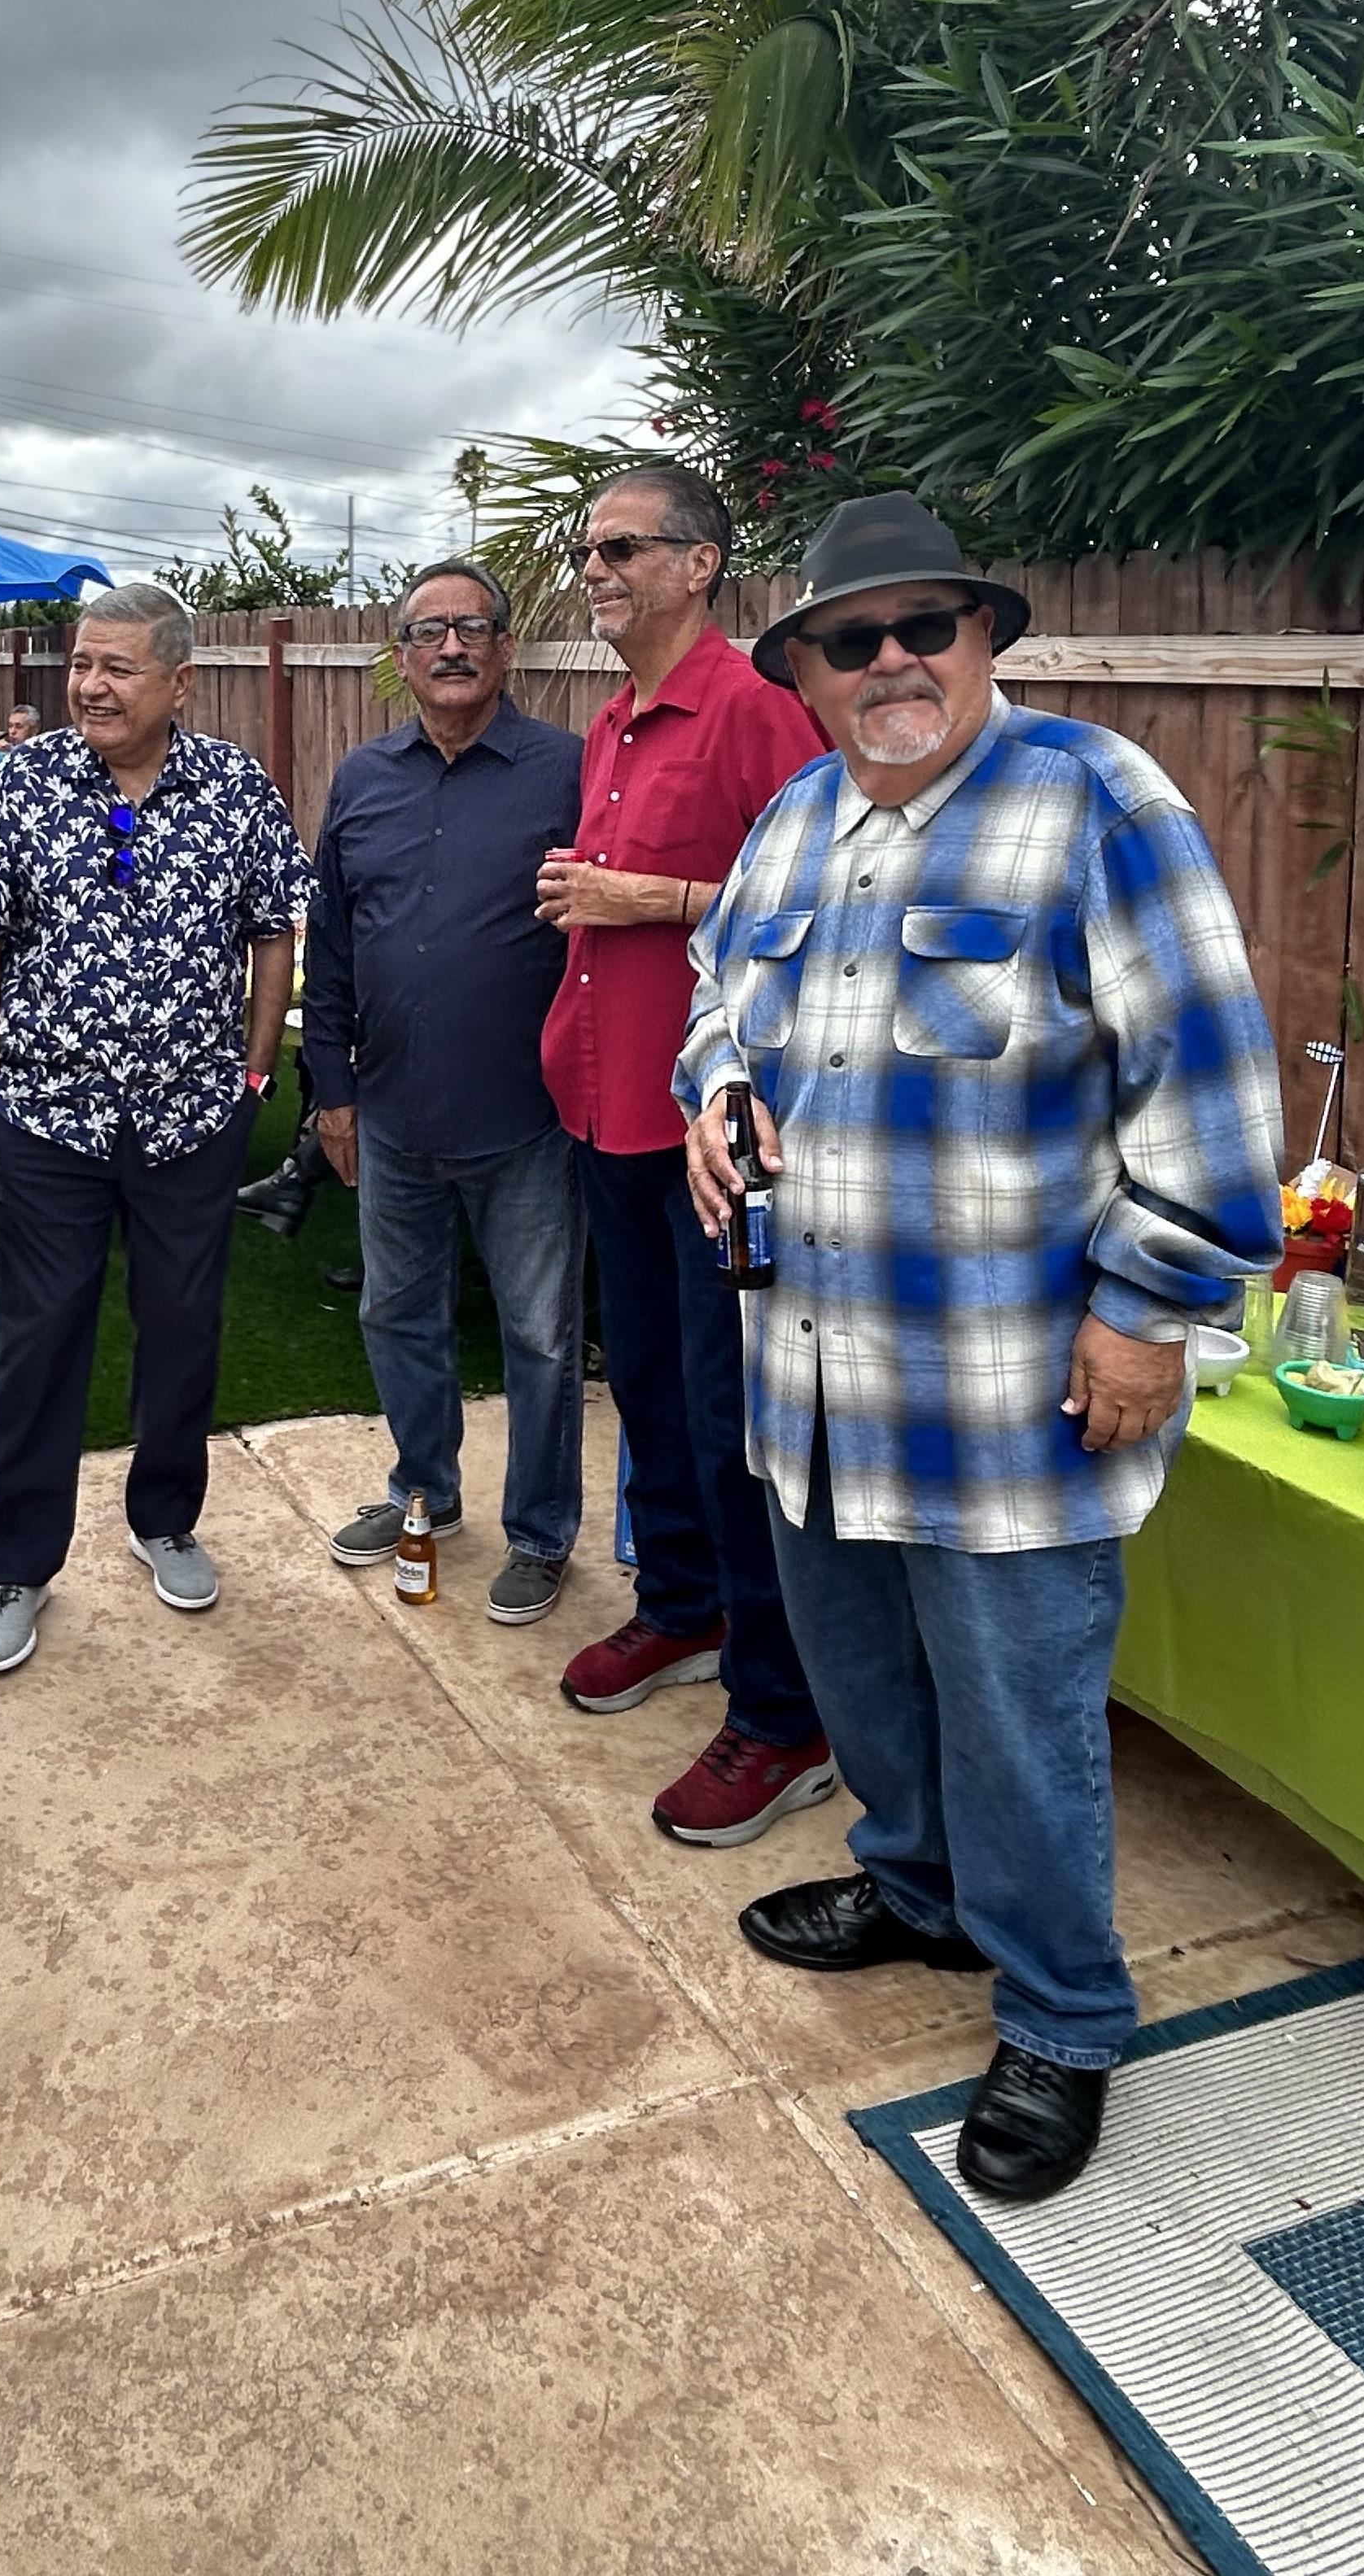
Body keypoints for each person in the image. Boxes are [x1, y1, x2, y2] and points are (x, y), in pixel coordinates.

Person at [680, 491, 1284, 2201]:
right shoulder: (794, 822)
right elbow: (726, 992)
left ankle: (1066, 2014)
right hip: (814, 1376)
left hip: (1013, 1390)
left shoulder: (1098, 800)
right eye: (851, 640)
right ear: (802, 669)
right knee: (864, 1678)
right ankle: (918, 1891)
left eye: (923, 628)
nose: (891, 664)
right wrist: (716, 1089)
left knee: (1021, 1715)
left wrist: (1150, 1309)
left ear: (981, 641)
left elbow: (1213, 1075)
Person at [535, 464, 833, 1848]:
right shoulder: (608, 725)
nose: (593, 568)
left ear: (701, 563)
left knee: (735, 1421)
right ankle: (683, 1610)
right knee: (644, 1383)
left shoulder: (755, 713)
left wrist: (648, 896)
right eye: (587, 550)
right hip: (609, 1108)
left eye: (620, 548)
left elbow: (825, 902)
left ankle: (784, 1711)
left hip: (718, 1134)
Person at [0, 584, 311, 1675]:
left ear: (180, 682)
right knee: (39, 1338)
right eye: (81, 666)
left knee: (182, 1324)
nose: (91, 686)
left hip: (191, 1122)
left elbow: (273, 930)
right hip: (48, 1120)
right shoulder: (25, 783)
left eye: (117, 668)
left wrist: (252, 1073)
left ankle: (166, 1519)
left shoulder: (236, 788)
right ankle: (19, 1562)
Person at [302, 562, 587, 1622]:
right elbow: (329, 943)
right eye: (429, 632)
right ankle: (425, 1491)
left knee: (545, 1337)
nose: (452, 647)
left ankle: (543, 1536)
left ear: (506, 649)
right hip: (394, 1113)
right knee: (397, 1314)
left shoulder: (568, 770)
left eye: (472, 628)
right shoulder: (362, 778)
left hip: (530, 1118)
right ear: (403, 659)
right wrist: (331, 1089)